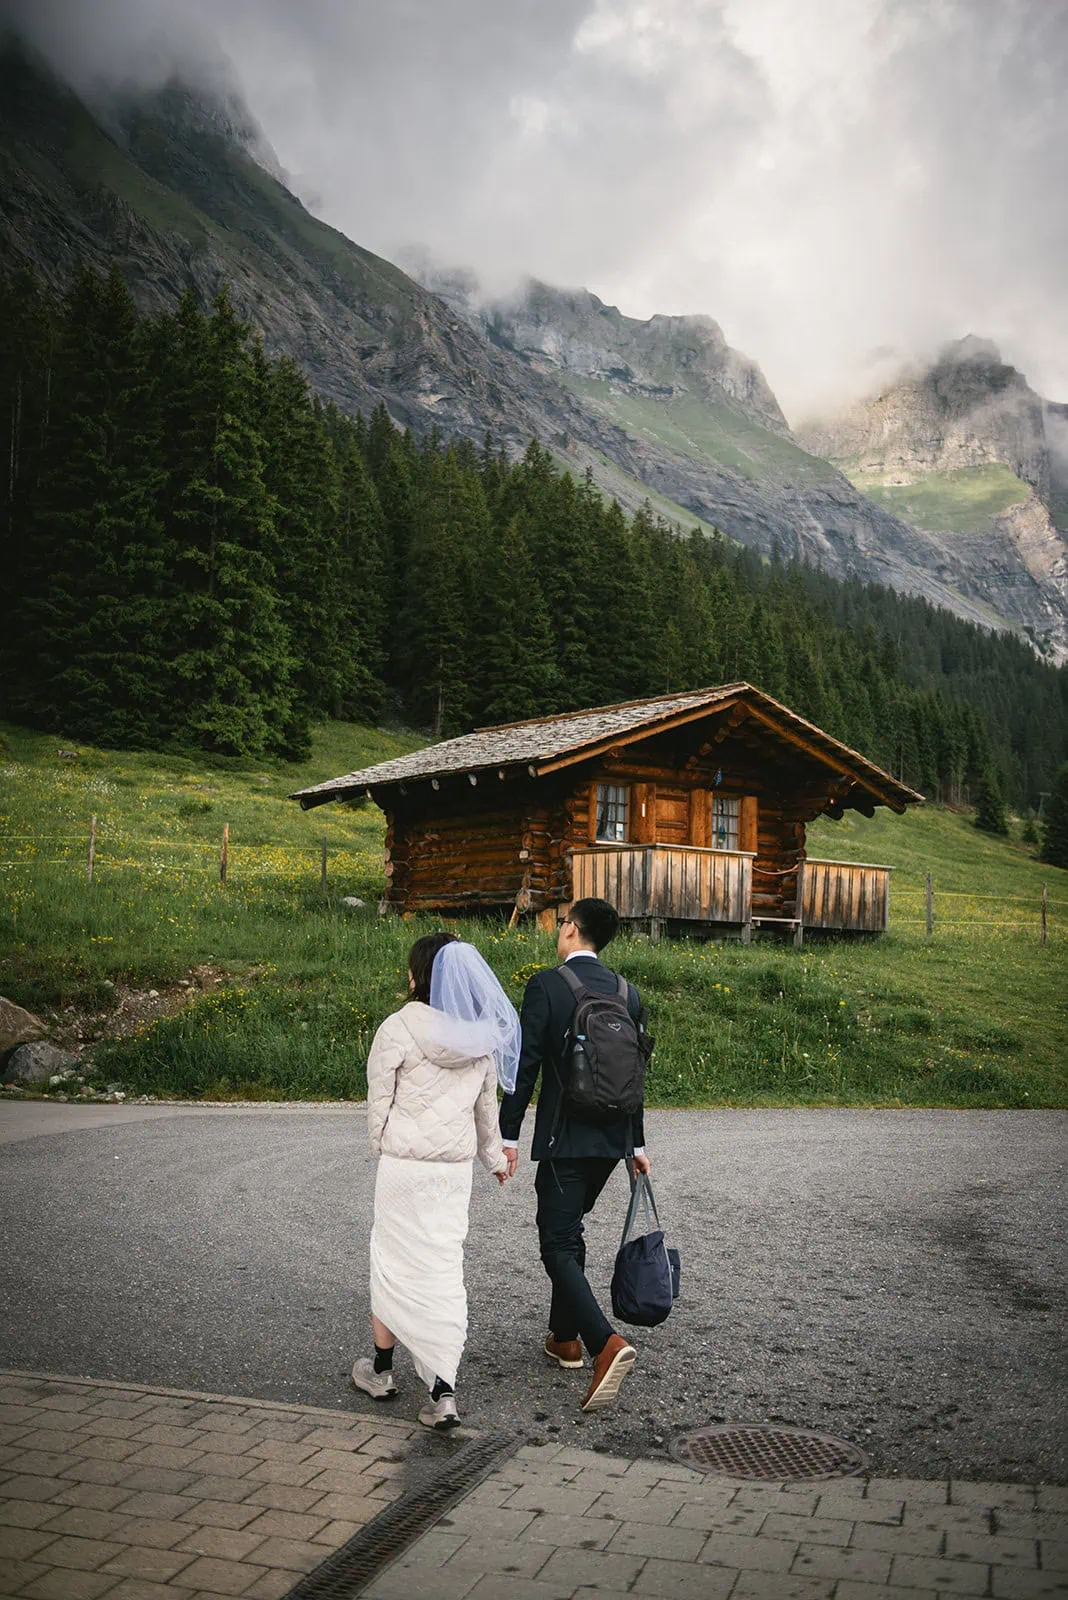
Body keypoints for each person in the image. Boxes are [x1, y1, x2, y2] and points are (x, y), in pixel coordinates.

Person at [353, 932, 520, 1430]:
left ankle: (381, 1371)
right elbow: (485, 1112)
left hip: (404, 1168)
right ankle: (442, 1392)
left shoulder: (397, 1027)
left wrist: (382, 1144)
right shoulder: (480, 1038)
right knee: (443, 1268)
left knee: (391, 1263)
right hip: (451, 1173)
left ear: (416, 975)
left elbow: (378, 1099)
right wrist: (494, 1159)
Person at [500, 896, 651, 1413]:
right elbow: (635, 1075)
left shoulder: (547, 985)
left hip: (564, 1140)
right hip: (611, 1144)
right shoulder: (628, 993)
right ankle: (564, 1340)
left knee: (556, 1246)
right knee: (570, 1234)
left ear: (571, 930)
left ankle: (603, 1344)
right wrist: (636, 1144)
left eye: (562, 922)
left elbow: (527, 1066)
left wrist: (508, 1135)